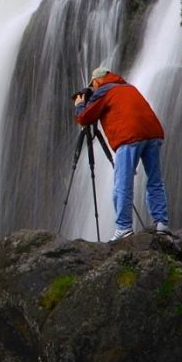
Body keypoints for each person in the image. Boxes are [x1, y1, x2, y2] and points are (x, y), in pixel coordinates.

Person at [74, 66, 170, 241]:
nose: (92, 90)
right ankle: (161, 223)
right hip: (153, 133)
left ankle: (124, 227)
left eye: (92, 86)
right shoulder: (129, 88)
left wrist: (80, 104)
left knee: (123, 183)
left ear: (96, 81)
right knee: (155, 181)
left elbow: (85, 117)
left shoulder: (104, 91)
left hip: (129, 137)